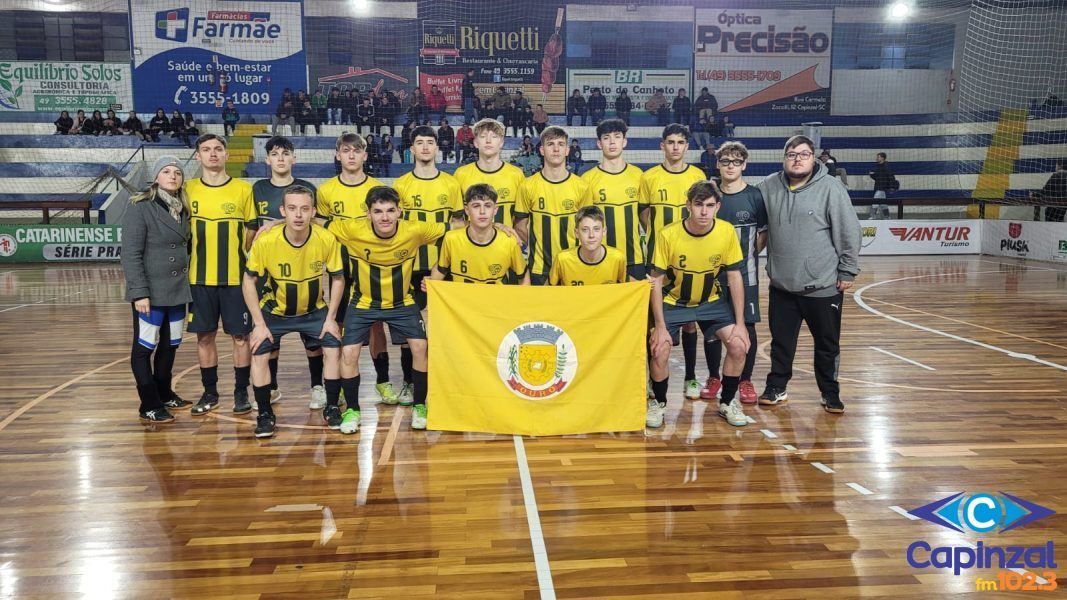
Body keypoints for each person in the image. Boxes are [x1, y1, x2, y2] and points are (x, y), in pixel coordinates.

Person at [328, 186, 451, 430]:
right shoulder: (351, 229)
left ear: (400, 212)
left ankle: (420, 405)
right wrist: (275, 224)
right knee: (349, 353)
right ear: (368, 214)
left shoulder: (414, 230)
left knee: (420, 346)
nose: (385, 217)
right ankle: (353, 410)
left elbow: (455, 232)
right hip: (363, 302)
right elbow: (308, 227)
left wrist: (497, 226)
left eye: (390, 211)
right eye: (378, 211)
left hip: (401, 302)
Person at [758, 135, 861, 414]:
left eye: (803, 154)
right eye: (791, 154)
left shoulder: (831, 188)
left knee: (827, 344)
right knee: (781, 343)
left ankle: (830, 392)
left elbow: (849, 231)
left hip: (823, 285)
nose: (797, 159)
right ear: (784, 158)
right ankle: (776, 387)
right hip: (782, 286)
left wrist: (847, 269)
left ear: (813, 157)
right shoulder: (768, 186)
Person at [242, 186, 345, 438]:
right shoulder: (265, 241)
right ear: (282, 211)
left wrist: (331, 318)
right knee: (258, 351)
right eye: (292, 208)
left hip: (314, 309)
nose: (298, 215)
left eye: (304, 208)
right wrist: (259, 324)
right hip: (274, 311)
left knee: (333, 346)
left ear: (313, 212)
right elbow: (248, 282)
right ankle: (265, 413)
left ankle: (331, 406)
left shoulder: (325, 238)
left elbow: (338, 279)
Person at [647, 181, 751, 429]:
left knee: (738, 345)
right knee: (659, 348)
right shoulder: (668, 234)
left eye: (709, 205)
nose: (704, 211)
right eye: (698, 205)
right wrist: (659, 325)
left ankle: (727, 402)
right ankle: (659, 403)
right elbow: (656, 281)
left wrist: (740, 323)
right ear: (688, 206)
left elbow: (735, 277)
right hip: (674, 302)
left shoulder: (726, 232)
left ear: (718, 206)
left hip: (711, 302)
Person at [315, 133, 394, 403]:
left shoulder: (376, 187)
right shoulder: (326, 190)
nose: (351, 155)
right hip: (339, 269)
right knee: (337, 324)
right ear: (338, 155)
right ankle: (336, 388)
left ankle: (383, 382)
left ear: (365, 155)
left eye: (356, 150)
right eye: (346, 150)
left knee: (376, 326)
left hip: (372, 267)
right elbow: (319, 224)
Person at [185, 134, 259, 416]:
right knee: (204, 337)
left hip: (235, 280)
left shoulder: (242, 190)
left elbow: (251, 231)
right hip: (198, 279)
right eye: (206, 149)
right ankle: (210, 391)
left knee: (240, 338)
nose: (213, 154)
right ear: (198, 156)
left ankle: (241, 392)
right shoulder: (188, 189)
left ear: (227, 155)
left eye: (218, 149)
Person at [250, 136, 326, 409]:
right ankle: (271, 388)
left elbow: (314, 221)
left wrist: (279, 221)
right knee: (272, 337)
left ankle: (318, 386)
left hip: (303, 272)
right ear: (267, 159)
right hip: (269, 275)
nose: (280, 158)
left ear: (293, 158)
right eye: (275, 153)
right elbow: (252, 230)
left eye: (286, 153)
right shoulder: (258, 189)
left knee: (313, 340)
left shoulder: (307, 188)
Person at [120, 156, 192, 423]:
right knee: (144, 347)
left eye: (177, 172)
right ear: (156, 178)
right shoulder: (140, 207)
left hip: (176, 290)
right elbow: (130, 253)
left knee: (171, 344)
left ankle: (164, 393)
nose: (173, 175)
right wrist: (139, 291)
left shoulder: (182, 208)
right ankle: (148, 404)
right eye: (166, 171)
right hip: (150, 292)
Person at [640, 124, 707, 399]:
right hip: (657, 261)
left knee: (690, 321)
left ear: (687, 147)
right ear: (662, 146)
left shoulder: (698, 175)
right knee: (652, 324)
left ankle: (691, 377)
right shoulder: (649, 177)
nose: (675, 147)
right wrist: (662, 239)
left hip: (690, 260)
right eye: (670, 142)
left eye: (681, 142)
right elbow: (644, 214)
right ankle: (648, 380)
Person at [701, 142, 768, 405]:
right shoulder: (710, 195)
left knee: (747, 328)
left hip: (746, 276)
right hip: (711, 277)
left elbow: (762, 234)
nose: (731, 166)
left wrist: (747, 258)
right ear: (718, 164)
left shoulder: (755, 196)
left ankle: (745, 380)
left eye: (736, 162)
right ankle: (713, 376)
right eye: (726, 161)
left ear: (744, 165)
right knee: (711, 327)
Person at [514, 126, 591, 285]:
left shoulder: (582, 186)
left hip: (574, 267)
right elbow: (520, 226)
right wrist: (538, 247)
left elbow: (588, 228)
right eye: (550, 144)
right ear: (542, 150)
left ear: (567, 150)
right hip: (538, 269)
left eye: (560, 144)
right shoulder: (527, 186)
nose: (556, 149)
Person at [580, 119, 646, 281]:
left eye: (617, 137)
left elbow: (645, 216)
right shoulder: (588, 179)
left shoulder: (638, 176)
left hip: (634, 258)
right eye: (606, 137)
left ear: (624, 142)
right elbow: (584, 222)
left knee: (634, 305)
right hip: (600, 258)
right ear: (599, 143)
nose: (612, 142)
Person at [431, 183, 529, 285]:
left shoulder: (509, 241)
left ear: (495, 210)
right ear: (467, 210)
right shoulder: (451, 239)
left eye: (487, 205)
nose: (482, 211)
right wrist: (431, 284)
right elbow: (440, 271)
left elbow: (523, 275)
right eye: (476, 206)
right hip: (462, 300)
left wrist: (525, 299)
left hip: (496, 300)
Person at [454, 118, 526, 228]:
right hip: (470, 243)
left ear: (501, 142)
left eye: (494, 137)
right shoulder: (461, 174)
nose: (488, 141)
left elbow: (522, 221)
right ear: (476, 143)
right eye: (483, 137)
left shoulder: (516, 174)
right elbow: (456, 218)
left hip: (506, 244)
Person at [548, 206, 627, 286]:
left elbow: (629, 288)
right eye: (585, 230)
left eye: (596, 229)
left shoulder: (618, 258)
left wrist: (640, 286)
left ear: (604, 231)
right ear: (577, 233)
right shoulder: (562, 260)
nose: (591, 235)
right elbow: (546, 292)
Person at [869, 152, 895, 219]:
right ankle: (887, 217)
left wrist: (892, 186)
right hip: (879, 187)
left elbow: (891, 176)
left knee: (875, 201)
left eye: (878, 157)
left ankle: (873, 216)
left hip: (882, 187)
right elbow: (877, 178)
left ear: (882, 158)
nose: (876, 158)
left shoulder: (886, 167)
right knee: (883, 204)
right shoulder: (878, 166)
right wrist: (872, 175)